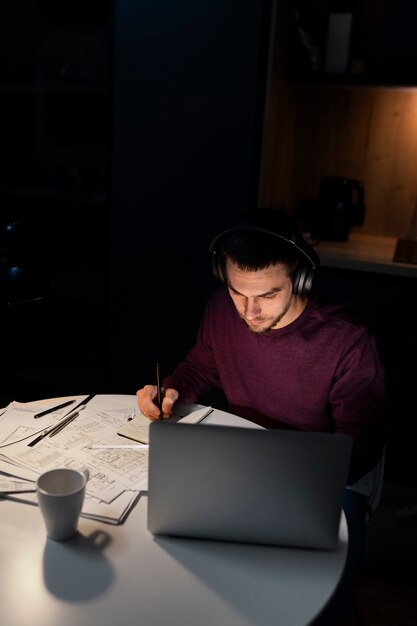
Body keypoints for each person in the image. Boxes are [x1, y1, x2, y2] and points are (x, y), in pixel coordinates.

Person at [137, 207, 386, 624]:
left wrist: (286, 472)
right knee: (180, 559)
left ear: (300, 279)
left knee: (317, 595)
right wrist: (172, 390)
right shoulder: (221, 310)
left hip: (327, 475)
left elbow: (359, 444)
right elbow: (203, 366)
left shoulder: (349, 339)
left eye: (268, 294)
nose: (249, 312)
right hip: (246, 457)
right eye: (239, 292)